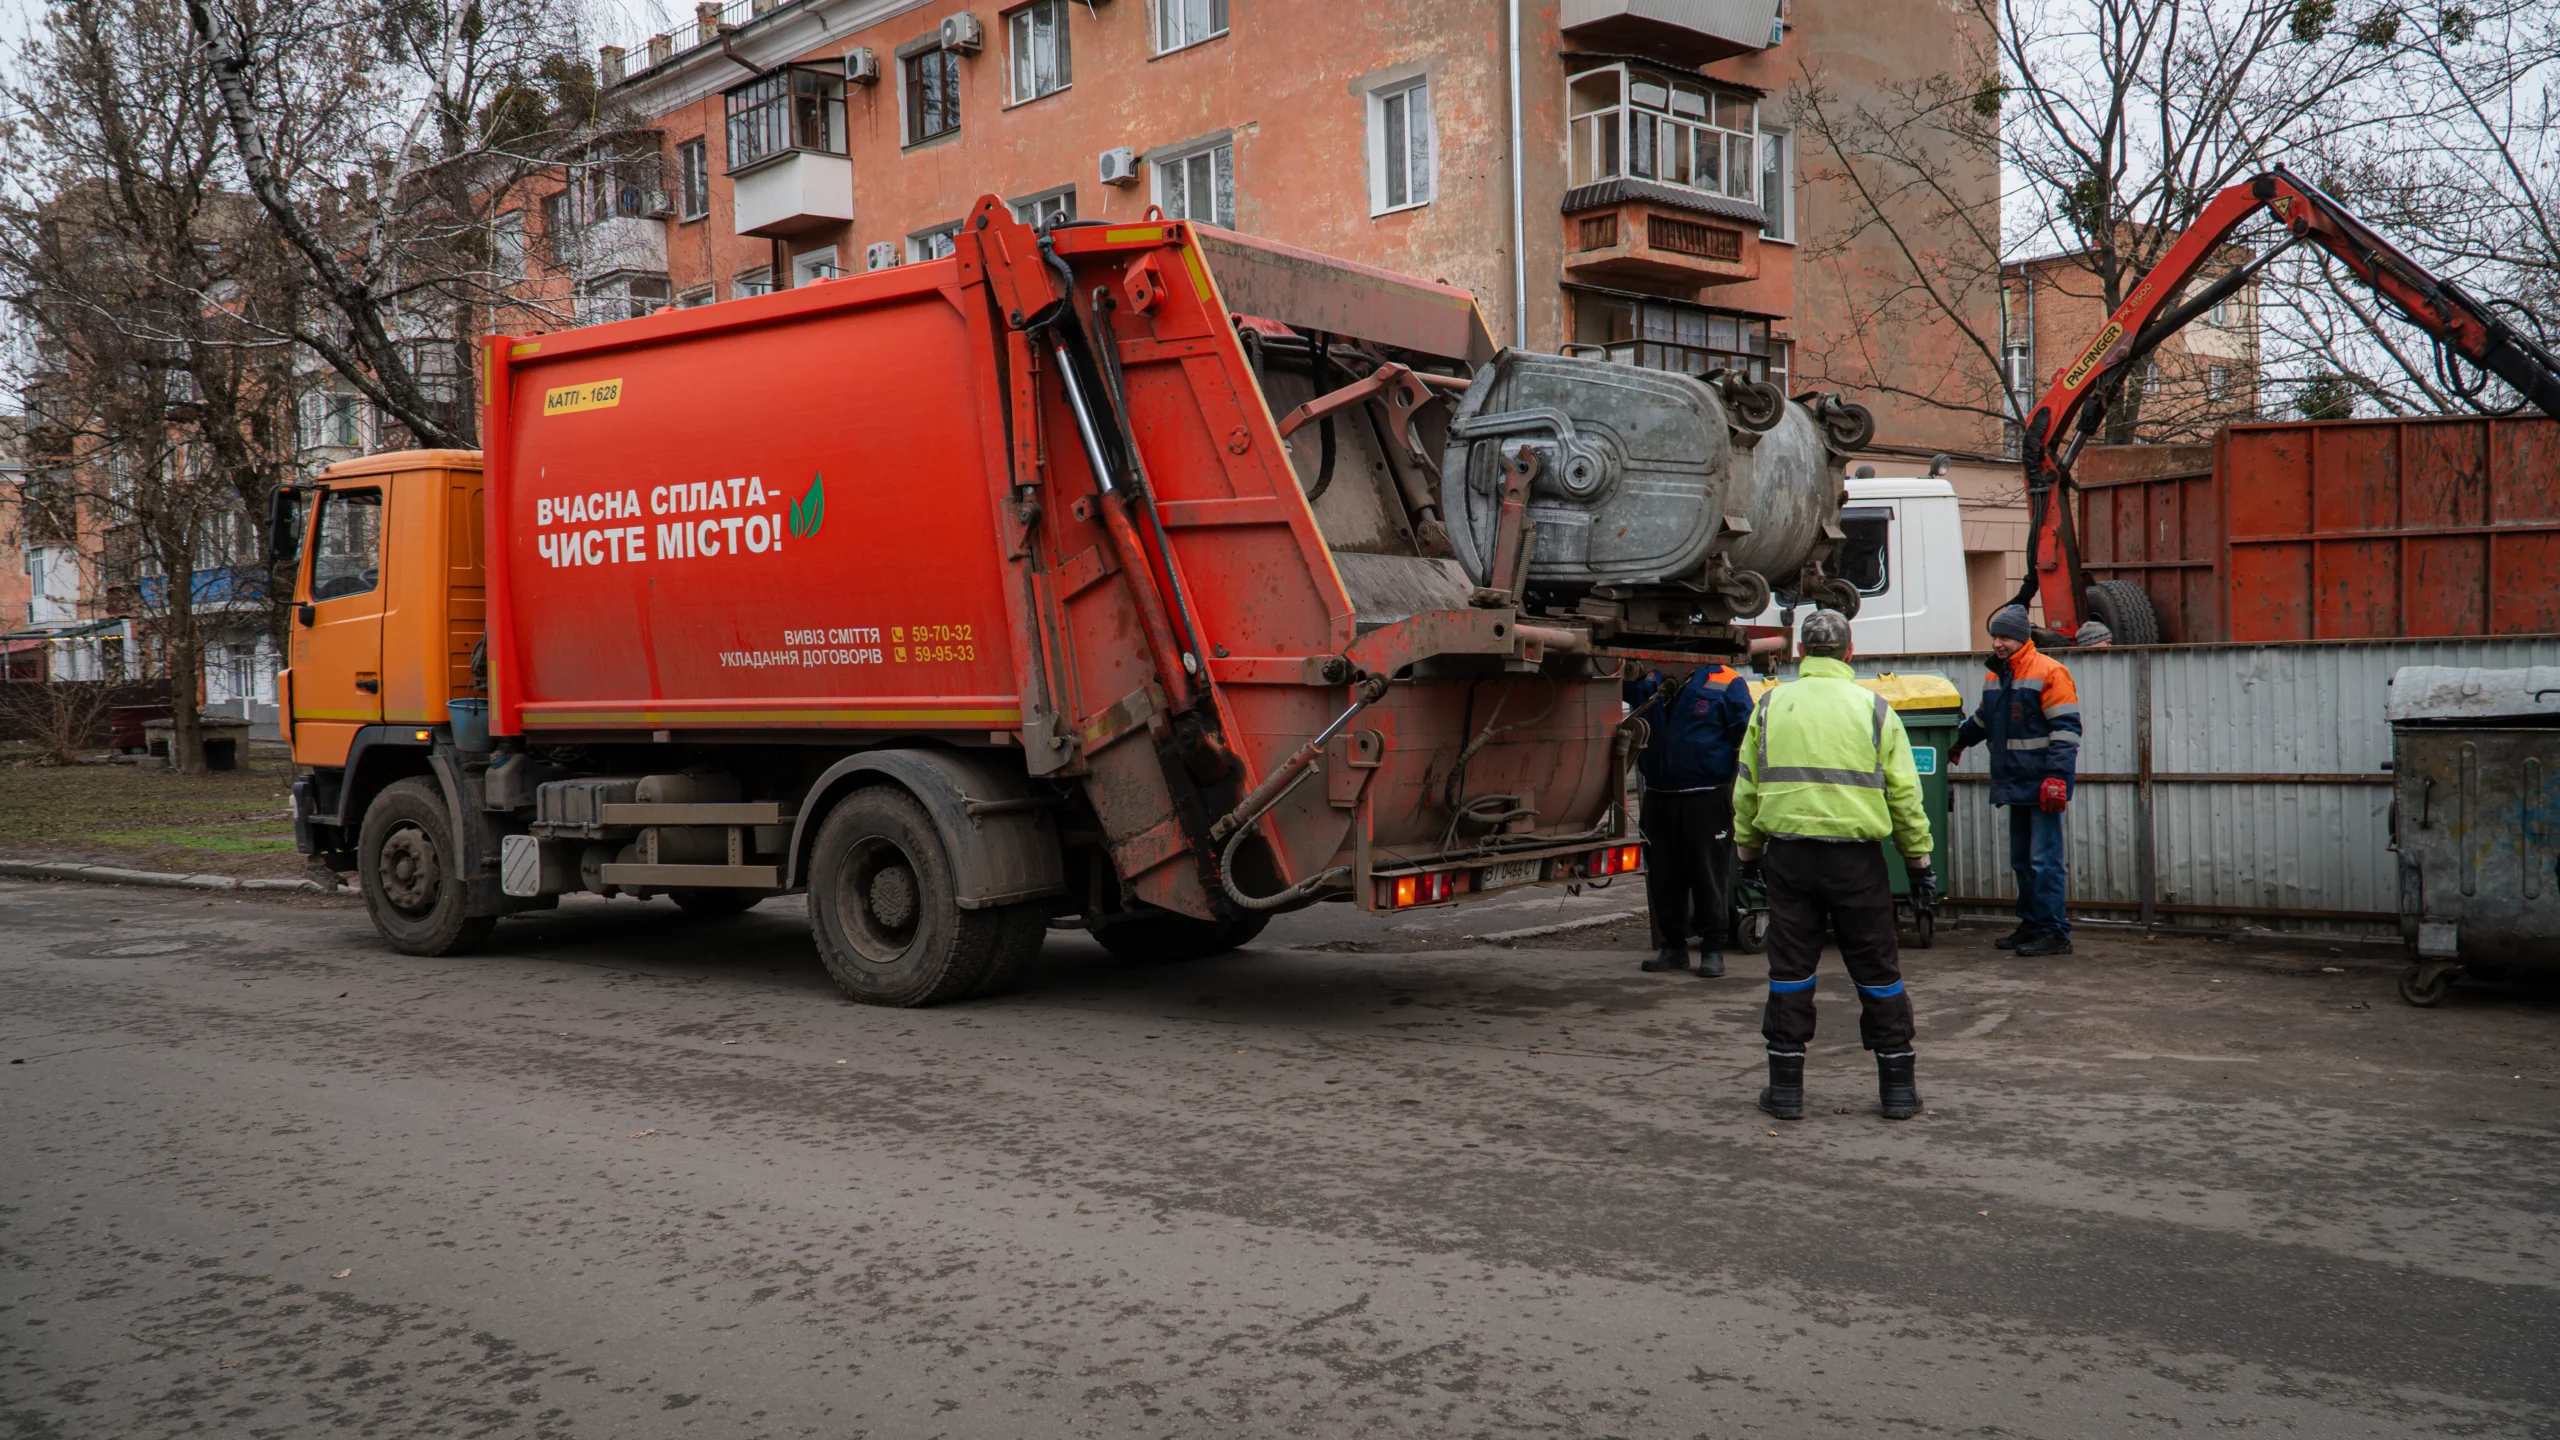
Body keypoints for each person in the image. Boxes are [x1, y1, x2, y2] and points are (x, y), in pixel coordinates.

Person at [1731, 610, 1935, 1122]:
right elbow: (1906, 797)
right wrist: (1918, 865)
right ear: (1850, 652)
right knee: (1877, 968)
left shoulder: (1770, 705)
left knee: (1791, 968)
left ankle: (1785, 1091)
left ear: (1801, 652)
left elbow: (1747, 788)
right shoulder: (1875, 709)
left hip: (1789, 858)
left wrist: (1748, 856)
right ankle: (1898, 1090)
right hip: (1857, 863)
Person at [1950, 604, 2081, 957]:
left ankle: (2054, 932)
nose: (1997, 643)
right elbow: (1984, 719)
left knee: (2043, 860)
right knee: (2023, 860)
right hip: (2016, 781)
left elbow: (2066, 729)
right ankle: (2033, 925)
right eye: (1994, 636)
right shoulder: (1997, 675)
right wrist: (1959, 742)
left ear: (2022, 639)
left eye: (2005, 637)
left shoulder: (2050, 672)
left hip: (2042, 784)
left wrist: (2056, 778)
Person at [1622, 657, 1756, 976]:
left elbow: (1747, 740)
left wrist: (1741, 791)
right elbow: (1610, 680)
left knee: (1708, 874)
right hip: (1659, 796)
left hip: (1707, 798)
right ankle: (1673, 947)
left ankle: (1713, 948)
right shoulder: (1649, 681)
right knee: (1663, 877)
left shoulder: (1727, 682)